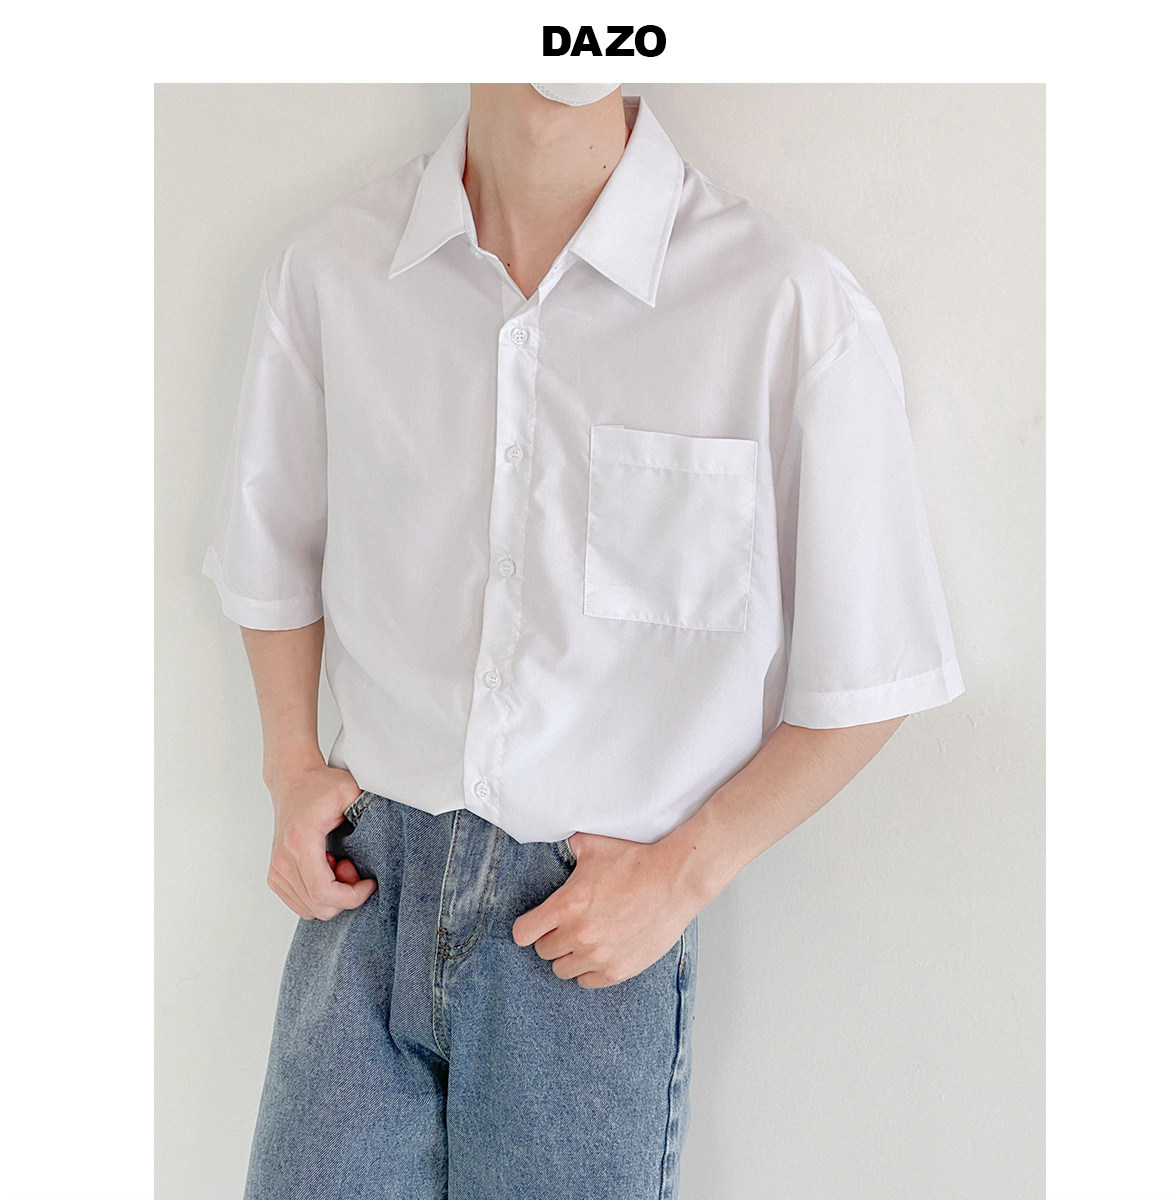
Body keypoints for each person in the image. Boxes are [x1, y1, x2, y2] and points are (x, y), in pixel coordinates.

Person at [202, 82, 965, 1200]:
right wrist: (288, 766)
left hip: (583, 930)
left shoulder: (782, 304)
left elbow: (875, 667)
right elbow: (271, 551)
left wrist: (683, 874)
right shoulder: (335, 269)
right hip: (366, 891)